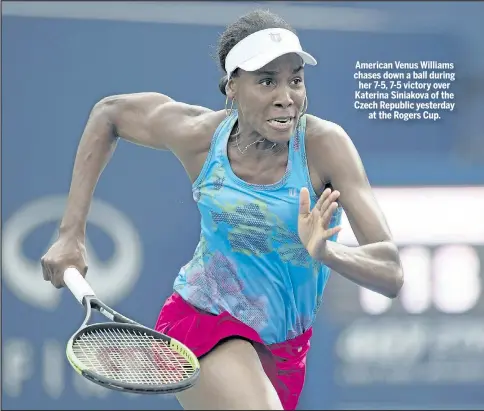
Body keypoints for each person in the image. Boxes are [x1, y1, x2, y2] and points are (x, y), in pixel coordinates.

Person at [40, 8, 404, 411]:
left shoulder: (325, 146)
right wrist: (70, 235)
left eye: (295, 81)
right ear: (232, 86)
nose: (286, 97)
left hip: (286, 350)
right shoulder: (199, 135)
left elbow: (391, 273)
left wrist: (326, 252)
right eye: (267, 81)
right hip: (203, 320)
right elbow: (108, 113)